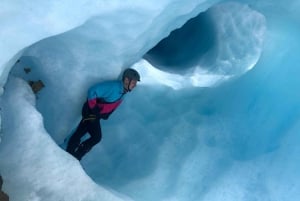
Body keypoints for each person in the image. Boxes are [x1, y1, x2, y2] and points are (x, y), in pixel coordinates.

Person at [66, 68, 140, 160]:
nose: (135, 85)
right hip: (90, 112)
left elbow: (112, 102)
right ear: (126, 80)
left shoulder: (123, 91)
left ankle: (70, 155)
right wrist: (94, 108)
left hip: (95, 114)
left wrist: (106, 113)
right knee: (96, 137)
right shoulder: (113, 87)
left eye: (135, 83)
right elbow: (92, 91)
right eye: (134, 83)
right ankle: (74, 156)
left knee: (82, 131)